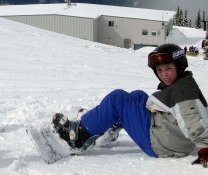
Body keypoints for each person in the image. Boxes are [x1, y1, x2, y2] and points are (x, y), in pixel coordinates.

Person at [51, 43, 208, 167]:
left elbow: (192, 117)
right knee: (137, 96)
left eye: (168, 68)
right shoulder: (183, 84)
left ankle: (77, 137)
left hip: (162, 144)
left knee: (118, 99)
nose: (164, 74)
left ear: (179, 66)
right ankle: (105, 129)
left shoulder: (183, 90)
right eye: (159, 70)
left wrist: (205, 147)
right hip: (169, 135)